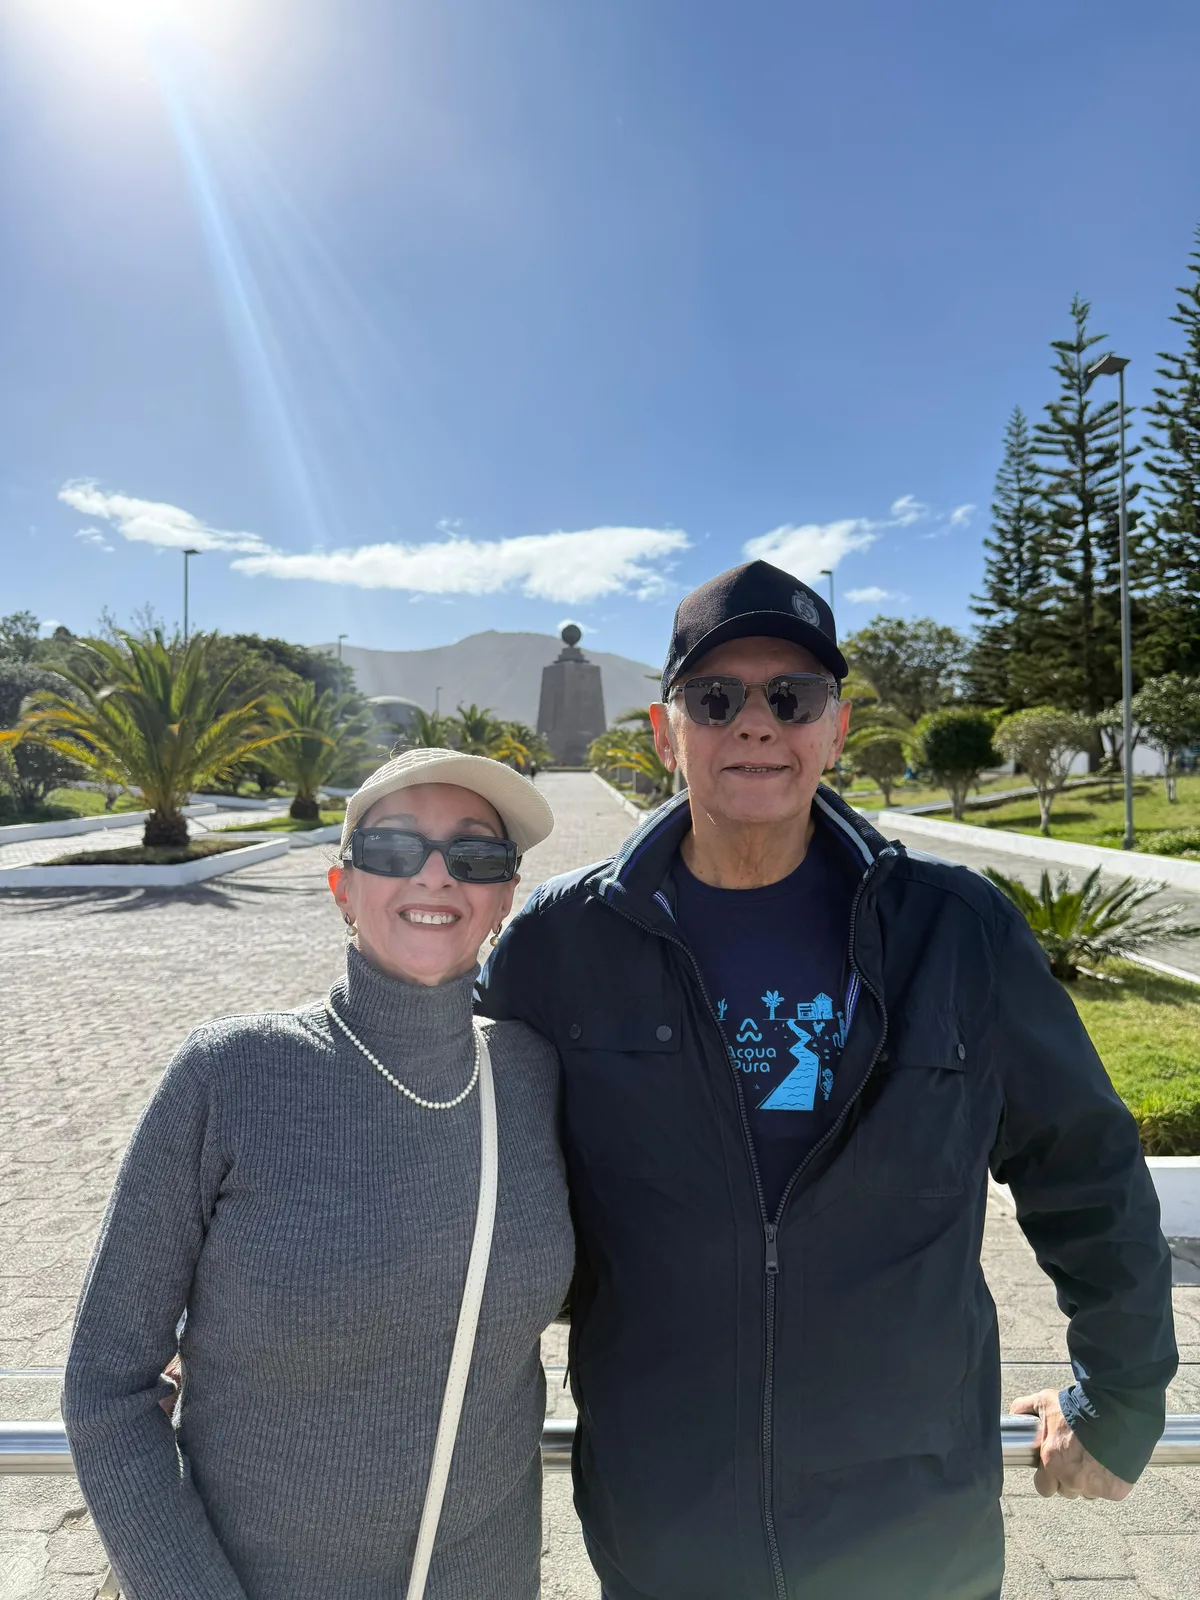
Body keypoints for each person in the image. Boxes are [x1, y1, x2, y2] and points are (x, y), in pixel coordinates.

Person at [478, 558, 1178, 1600]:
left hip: (912, 1522)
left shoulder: (956, 931)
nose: (756, 724)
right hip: (664, 1514)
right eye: (717, 698)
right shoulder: (561, 943)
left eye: (791, 697)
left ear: (834, 729)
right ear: (668, 734)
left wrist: (1119, 1398)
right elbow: (443, 1137)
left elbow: (1082, 1162)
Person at [63, 749, 574, 1600]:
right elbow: (106, 1382)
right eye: (393, 848)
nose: (436, 876)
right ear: (342, 889)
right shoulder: (229, 1075)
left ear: (504, 899)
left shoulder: (532, 1079)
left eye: (476, 855)